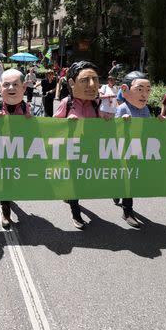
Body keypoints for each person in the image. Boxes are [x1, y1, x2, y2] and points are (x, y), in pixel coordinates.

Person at [55, 60, 102, 229]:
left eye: (95, 80)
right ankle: (76, 215)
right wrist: (65, 123)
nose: (92, 85)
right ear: (72, 83)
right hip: (71, 152)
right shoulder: (66, 103)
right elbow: (51, 128)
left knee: (82, 183)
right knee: (75, 183)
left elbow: (106, 127)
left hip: (89, 152)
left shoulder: (97, 104)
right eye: (85, 80)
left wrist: (112, 120)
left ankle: (70, 196)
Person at [113, 71, 158, 228]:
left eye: (147, 90)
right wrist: (121, 123)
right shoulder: (123, 109)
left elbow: (149, 128)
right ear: (125, 90)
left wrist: (159, 122)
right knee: (128, 181)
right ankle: (127, 211)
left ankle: (117, 192)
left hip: (139, 150)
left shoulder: (145, 110)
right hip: (124, 151)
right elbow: (114, 131)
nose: (144, 94)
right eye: (140, 89)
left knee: (131, 180)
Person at [0, 68, 32, 229]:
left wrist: (30, 120)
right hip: (2, 151)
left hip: (19, 151)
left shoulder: (26, 107)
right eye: (6, 85)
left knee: (14, 179)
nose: (11, 88)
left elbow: (33, 132)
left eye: (15, 84)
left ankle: (8, 198)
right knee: (5, 180)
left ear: (23, 87)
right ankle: (5, 211)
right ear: (0, 87)